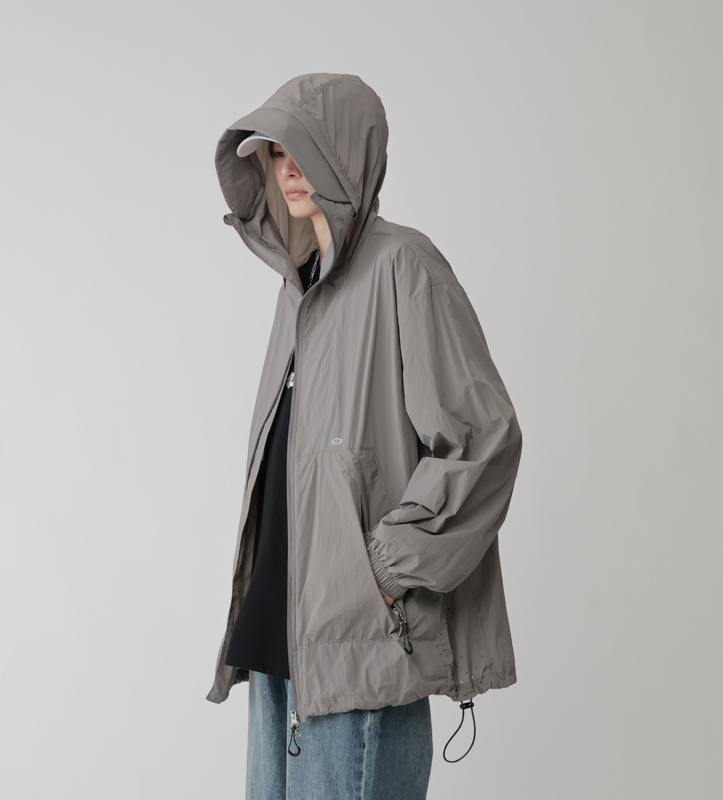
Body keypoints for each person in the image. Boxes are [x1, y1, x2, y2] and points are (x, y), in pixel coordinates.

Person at [206, 73, 524, 799]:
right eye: (276, 154)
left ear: (347, 157)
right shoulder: (297, 288)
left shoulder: (403, 266)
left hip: (360, 651)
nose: (288, 170)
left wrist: (380, 567)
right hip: (278, 645)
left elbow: (484, 438)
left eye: (305, 152)